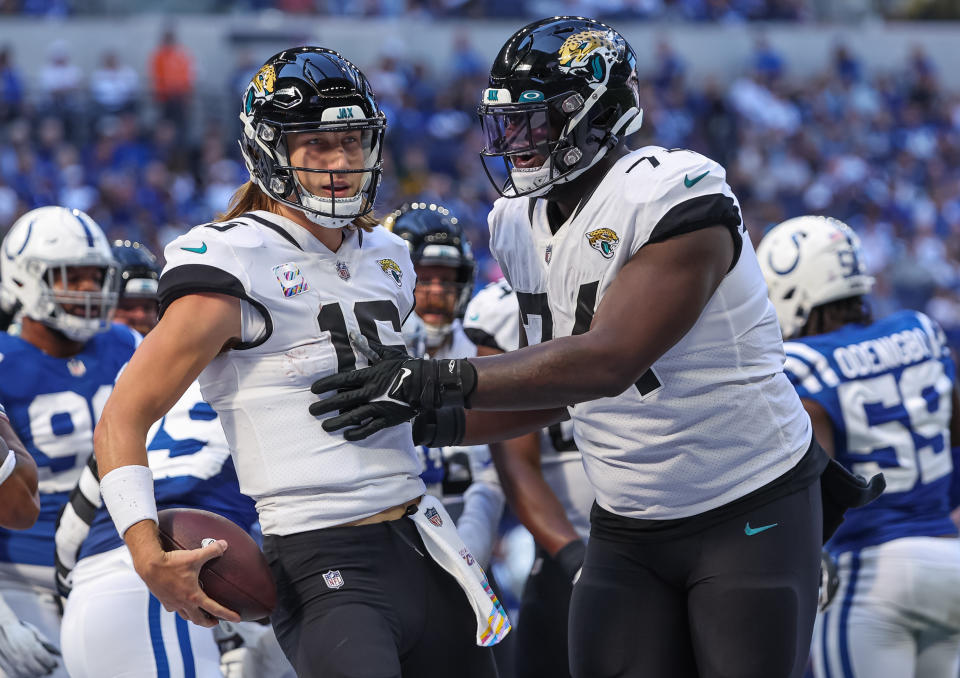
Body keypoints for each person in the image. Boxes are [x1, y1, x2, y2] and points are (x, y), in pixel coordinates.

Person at [307, 17, 879, 678]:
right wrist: (427, 421)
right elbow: (554, 387)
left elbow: (611, 359)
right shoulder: (516, 222)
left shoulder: (674, 189)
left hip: (745, 505)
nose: (515, 142)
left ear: (595, 113)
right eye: (506, 124)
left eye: (535, 122)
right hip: (627, 522)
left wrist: (436, 380)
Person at [93, 47, 504, 678]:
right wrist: (145, 550)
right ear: (270, 151)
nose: (340, 163)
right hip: (319, 550)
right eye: (315, 144)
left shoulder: (390, 255)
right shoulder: (233, 260)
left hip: (425, 537)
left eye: (352, 141)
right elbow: (123, 415)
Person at [54, 240, 273, 678]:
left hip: (99, 580)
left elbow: (70, 532)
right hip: (168, 587)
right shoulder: (273, 376)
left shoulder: (136, 379)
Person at [758, 215, 960, 678]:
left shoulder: (803, 364)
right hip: (949, 559)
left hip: (870, 573)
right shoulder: (920, 331)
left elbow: (813, 490)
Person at [0, 205, 133, 678]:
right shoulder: (4, 361)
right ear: (22, 279)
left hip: (117, 566)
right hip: (24, 583)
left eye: (93, 277)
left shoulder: (127, 344)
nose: (86, 291)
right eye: (69, 277)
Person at [462, 276, 594, 678]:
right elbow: (514, 461)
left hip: (655, 531)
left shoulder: (625, 280)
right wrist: (574, 558)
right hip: (566, 546)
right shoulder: (504, 307)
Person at [385, 202, 505, 569]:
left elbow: (496, 474)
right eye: (423, 277)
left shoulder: (485, 353)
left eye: (447, 278)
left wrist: (468, 553)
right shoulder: (363, 352)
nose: (437, 292)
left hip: (468, 547)